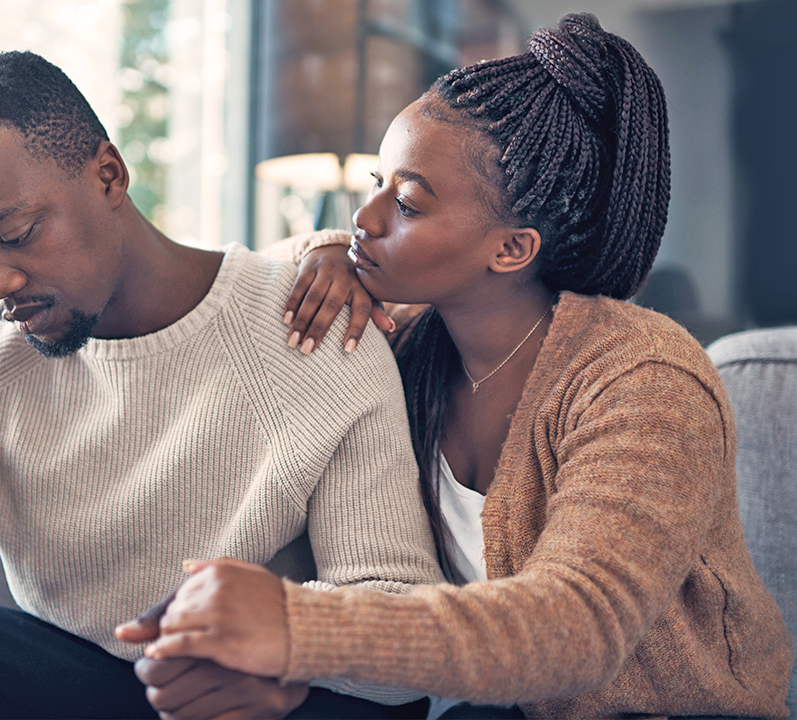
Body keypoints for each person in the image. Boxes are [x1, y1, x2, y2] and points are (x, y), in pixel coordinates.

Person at [0, 51, 445, 719]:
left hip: (252, 696)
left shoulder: (310, 324)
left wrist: (281, 655)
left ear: (109, 174)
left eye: (17, 233)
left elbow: (399, 635)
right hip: (83, 680)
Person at [118, 14, 793, 719]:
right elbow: (255, 276)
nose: (366, 218)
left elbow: (578, 627)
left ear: (511, 250)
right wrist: (321, 254)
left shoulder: (642, 378)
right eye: (375, 181)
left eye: (406, 203)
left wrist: (297, 628)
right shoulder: (407, 346)